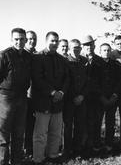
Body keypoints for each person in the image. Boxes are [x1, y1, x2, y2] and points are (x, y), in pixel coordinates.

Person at [31, 31, 69, 164]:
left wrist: (62, 93)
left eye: (56, 41)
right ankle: (38, 159)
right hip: (43, 102)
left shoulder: (61, 59)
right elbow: (37, 79)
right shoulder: (38, 57)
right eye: (52, 41)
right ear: (46, 41)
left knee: (56, 132)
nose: (54, 43)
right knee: (40, 134)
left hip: (58, 102)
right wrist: (53, 92)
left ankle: (53, 155)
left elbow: (66, 79)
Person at [0, 28, 32, 165]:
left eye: (22, 39)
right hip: (6, 98)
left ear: (26, 40)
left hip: (22, 98)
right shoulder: (4, 55)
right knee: (3, 135)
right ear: (12, 40)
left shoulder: (27, 56)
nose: (19, 42)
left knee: (19, 133)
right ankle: (3, 161)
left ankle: (16, 161)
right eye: (16, 39)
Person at [63, 39, 87, 159]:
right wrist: (73, 97)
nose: (76, 49)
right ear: (69, 49)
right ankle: (67, 150)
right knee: (67, 126)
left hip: (81, 99)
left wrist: (82, 95)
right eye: (74, 48)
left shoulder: (84, 61)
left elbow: (88, 81)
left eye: (78, 47)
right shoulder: (64, 61)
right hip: (68, 99)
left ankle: (77, 149)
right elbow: (65, 81)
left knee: (80, 125)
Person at [81, 35, 105, 154]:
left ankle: (95, 144)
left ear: (94, 45)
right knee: (83, 122)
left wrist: (100, 94)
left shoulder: (100, 60)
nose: (88, 47)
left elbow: (103, 80)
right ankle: (84, 146)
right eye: (86, 45)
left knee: (96, 122)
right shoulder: (80, 59)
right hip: (83, 97)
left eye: (90, 45)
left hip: (96, 97)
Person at [98, 43, 121, 153]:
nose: (106, 52)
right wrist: (101, 97)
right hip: (99, 99)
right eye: (104, 50)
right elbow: (93, 82)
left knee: (110, 122)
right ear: (100, 52)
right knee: (97, 122)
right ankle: (97, 143)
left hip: (112, 98)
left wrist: (115, 95)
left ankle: (109, 143)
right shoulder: (95, 64)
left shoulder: (116, 65)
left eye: (108, 50)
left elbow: (119, 81)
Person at [24, 31, 37, 158]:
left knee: (33, 123)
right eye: (29, 39)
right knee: (24, 124)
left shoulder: (36, 55)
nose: (32, 41)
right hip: (24, 95)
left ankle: (30, 148)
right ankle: (25, 149)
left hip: (36, 95)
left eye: (34, 39)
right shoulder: (23, 54)